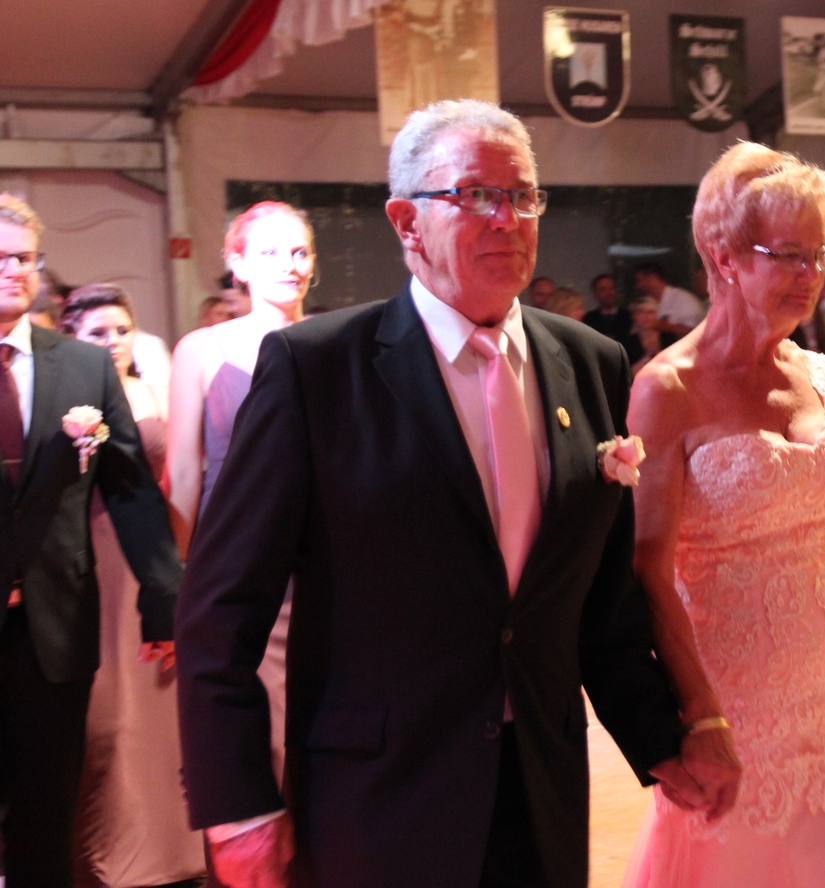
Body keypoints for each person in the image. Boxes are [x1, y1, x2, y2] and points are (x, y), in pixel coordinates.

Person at [174, 101, 728, 888]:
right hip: (378, 799)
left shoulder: (590, 362)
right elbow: (222, 607)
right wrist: (238, 805)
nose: (507, 218)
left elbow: (597, 599)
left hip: (539, 787)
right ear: (406, 222)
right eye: (475, 195)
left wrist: (660, 738)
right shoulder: (317, 369)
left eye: (523, 195)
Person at [625, 141, 825, 888]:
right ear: (724, 257)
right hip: (732, 705)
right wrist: (698, 715)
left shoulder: (820, 375)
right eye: (788, 255)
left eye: (820, 254)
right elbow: (649, 570)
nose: (810, 276)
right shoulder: (668, 389)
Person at [0, 194, 179, 885]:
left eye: (25, 258)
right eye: (0, 259)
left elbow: (130, 489)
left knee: (47, 808)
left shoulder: (83, 366)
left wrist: (163, 594)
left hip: (54, 625)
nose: (14, 271)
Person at [166, 202, 315, 815]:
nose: (289, 265)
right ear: (239, 265)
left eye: (300, 252)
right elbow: (183, 472)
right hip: (236, 563)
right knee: (253, 731)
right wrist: (184, 577)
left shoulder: (338, 341)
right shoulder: (202, 349)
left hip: (325, 563)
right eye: (271, 252)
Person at [62, 285, 202, 886]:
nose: (113, 342)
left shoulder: (153, 389)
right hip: (95, 550)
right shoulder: (67, 394)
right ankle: (109, 850)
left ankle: (175, 848)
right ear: (73, 337)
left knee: (163, 701)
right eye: (98, 333)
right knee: (109, 707)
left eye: (121, 330)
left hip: (156, 551)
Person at [634, 262, 706, 336]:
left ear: (652, 278)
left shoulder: (684, 300)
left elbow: (695, 332)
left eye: (639, 280)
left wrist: (658, 325)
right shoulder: (643, 302)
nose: (638, 286)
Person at [625, 296, 679, 376]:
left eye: (650, 312)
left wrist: (657, 353)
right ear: (634, 316)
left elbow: (676, 366)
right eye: (641, 312)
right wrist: (648, 356)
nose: (646, 316)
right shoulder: (627, 342)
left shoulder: (668, 337)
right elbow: (631, 373)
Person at [583, 273, 633, 344]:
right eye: (603, 289)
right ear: (595, 294)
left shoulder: (630, 316)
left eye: (612, 288)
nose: (609, 293)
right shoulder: (589, 319)